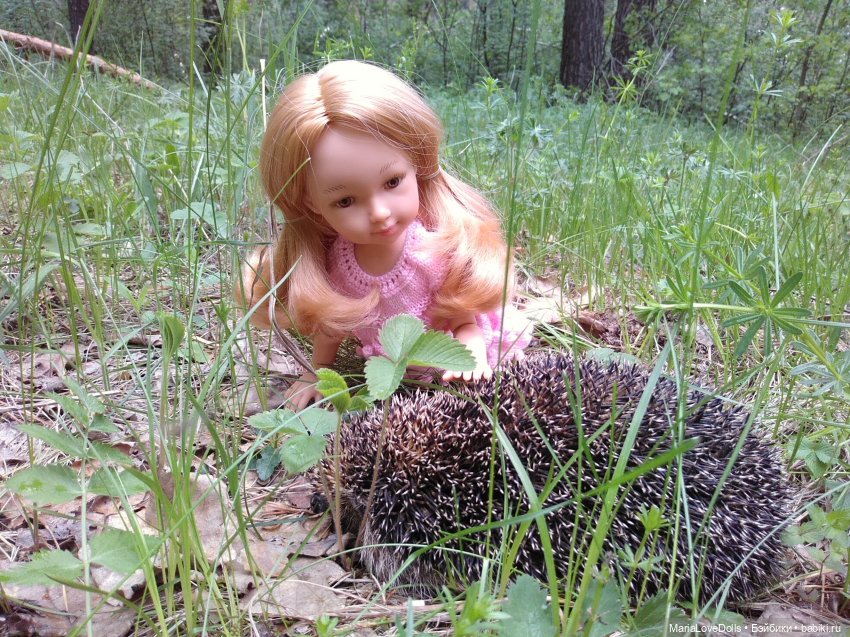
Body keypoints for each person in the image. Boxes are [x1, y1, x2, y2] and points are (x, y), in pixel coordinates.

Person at [239, 60, 531, 410]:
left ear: (416, 163)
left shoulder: (431, 255)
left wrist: (472, 359)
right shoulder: (335, 269)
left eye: (392, 182)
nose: (378, 212)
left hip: (449, 359)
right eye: (345, 201)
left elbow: (464, 321)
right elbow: (331, 328)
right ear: (311, 204)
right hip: (389, 373)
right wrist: (316, 372)